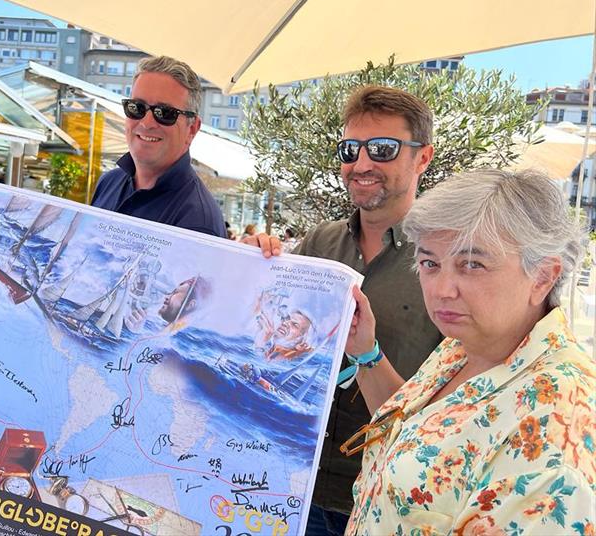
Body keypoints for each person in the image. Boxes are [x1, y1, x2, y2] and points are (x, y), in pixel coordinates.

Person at [344, 168, 595, 534]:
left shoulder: (558, 422)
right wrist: (366, 353)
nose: (442, 288)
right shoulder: (464, 346)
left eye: (472, 264)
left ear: (542, 276)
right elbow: (424, 433)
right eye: (430, 263)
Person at [246, 85, 443, 534]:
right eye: (350, 149)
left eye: (383, 149)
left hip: (382, 497)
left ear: (423, 158)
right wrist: (252, 270)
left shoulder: (443, 261)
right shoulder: (318, 244)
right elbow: (272, 338)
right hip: (291, 487)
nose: (362, 163)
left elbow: (446, 404)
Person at [91, 55, 226, 237]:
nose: (147, 123)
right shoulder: (108, 183)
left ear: (192, 128)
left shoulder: (199, 221)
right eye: (137, 107)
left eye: (164, 113)